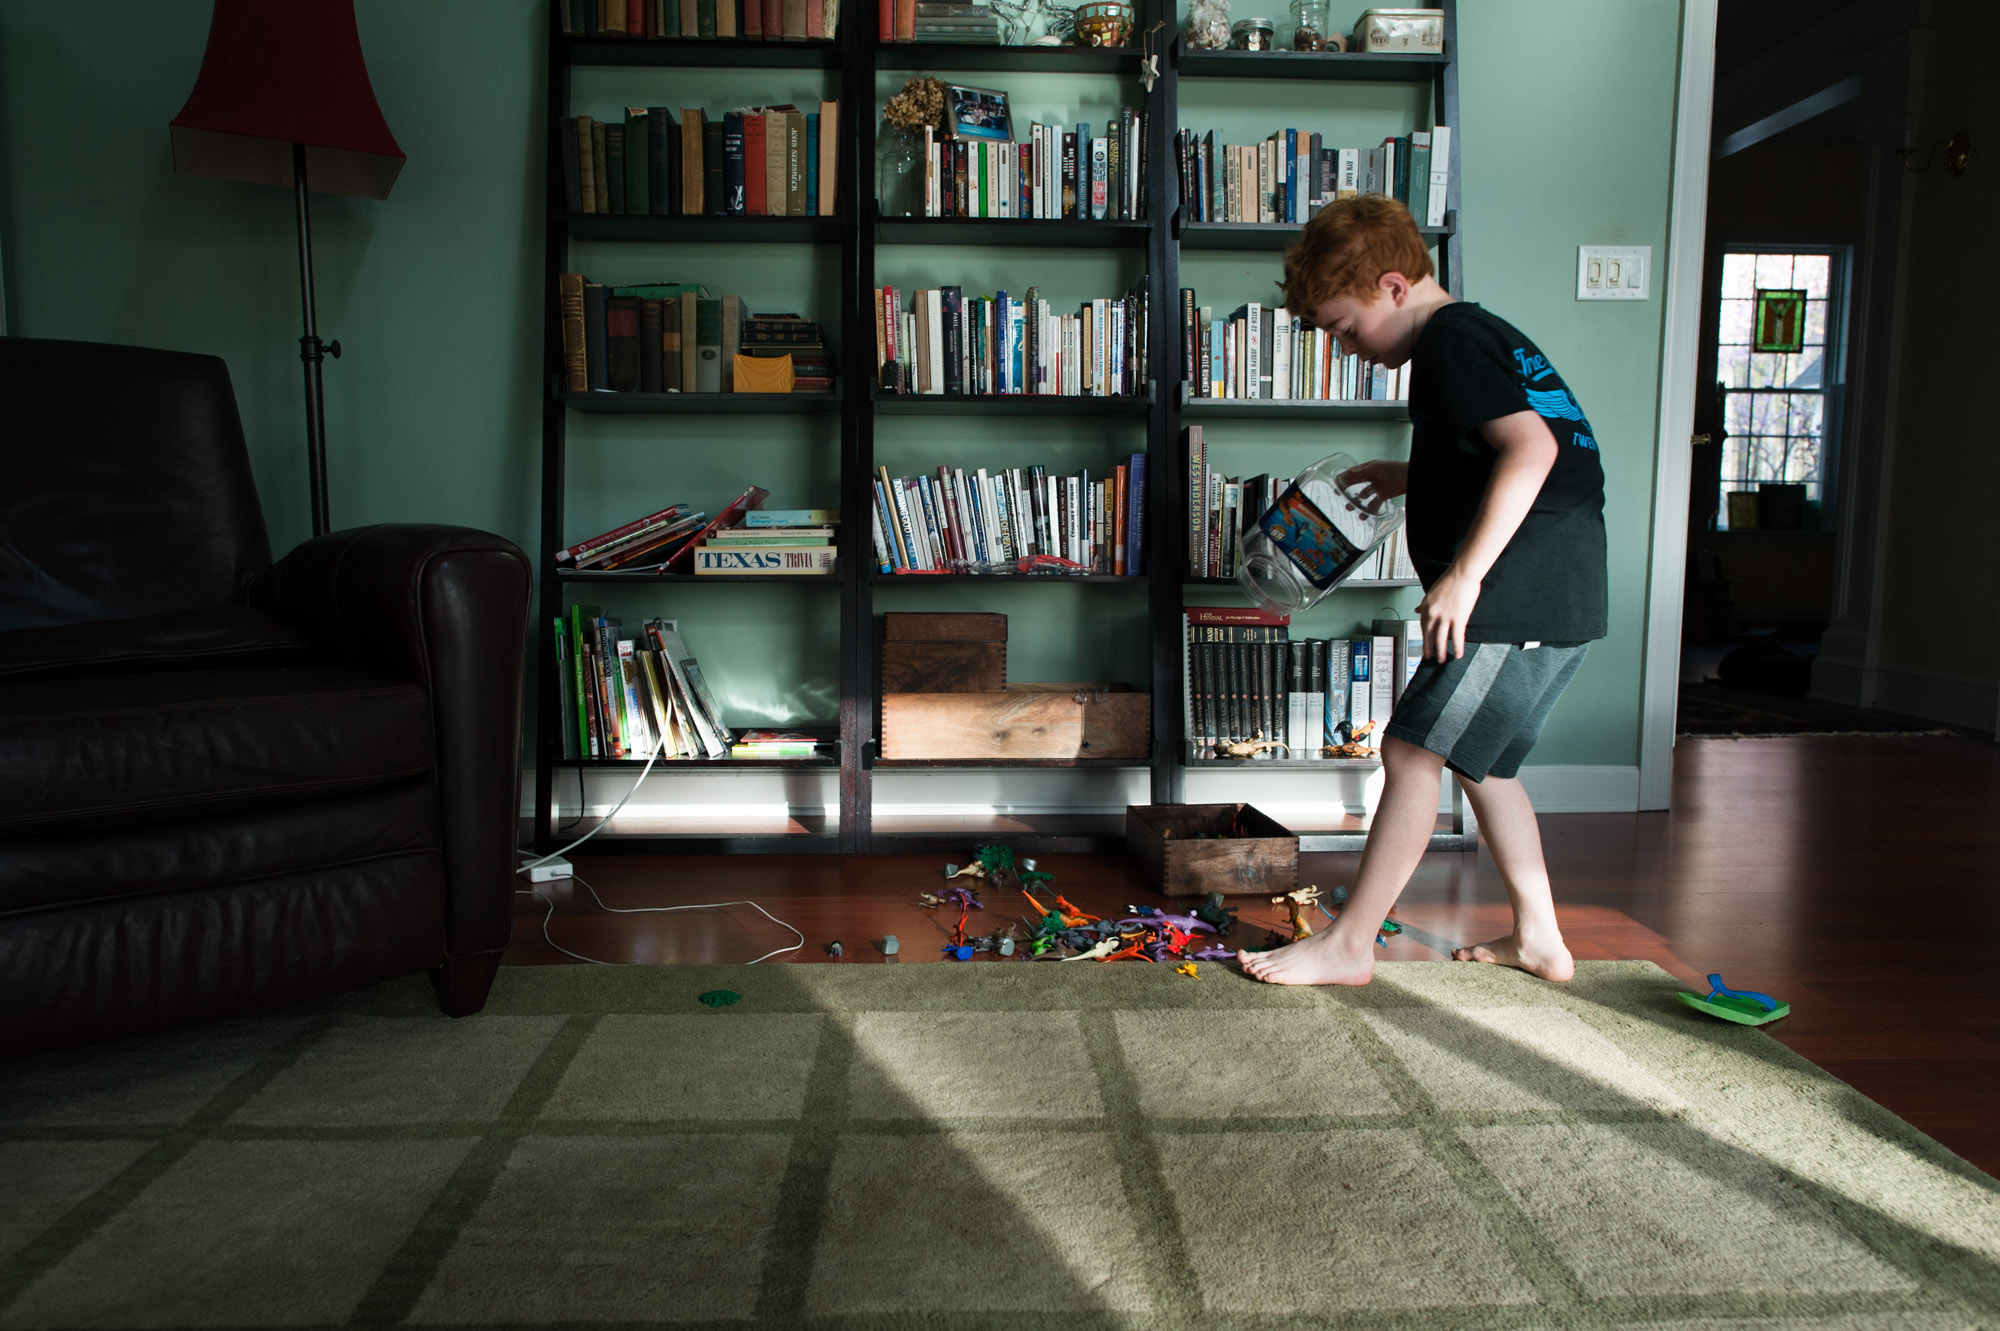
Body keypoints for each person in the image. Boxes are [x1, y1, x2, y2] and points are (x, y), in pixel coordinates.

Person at [1238, 195, 1608, 987]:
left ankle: (1349, 945)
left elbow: (1533, 451)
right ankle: (1539, 936)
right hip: (1553, 591)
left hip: (1519, 592)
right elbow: (1499, 445)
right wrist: (1412, 477)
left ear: (1396, 287)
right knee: (1485, 766)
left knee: (1411, 751)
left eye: (1344, 327)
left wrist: (1464, 576)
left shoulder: (1448, 344)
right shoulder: (1476, 336)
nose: (1343, 345)